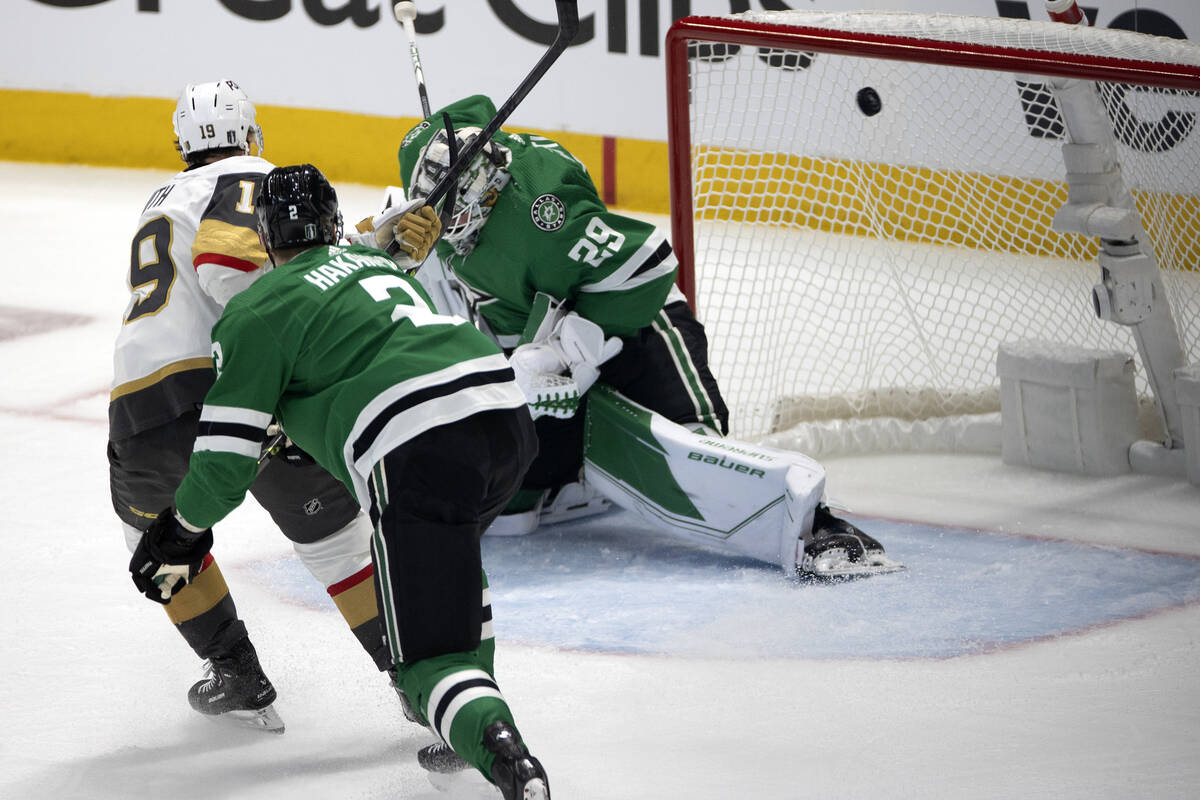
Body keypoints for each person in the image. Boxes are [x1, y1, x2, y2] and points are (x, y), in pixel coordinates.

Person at [126, 163, 550, 800]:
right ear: (333, 223)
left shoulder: (255, 312)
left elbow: (222, 465)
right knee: (450, 552)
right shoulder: (378, 267)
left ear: (265, 236)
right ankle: (461, 717)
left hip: (417, 445)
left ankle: (502, 752)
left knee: (426, 664)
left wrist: (180, 531)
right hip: (506, 417)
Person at [383, 95, 899, 580]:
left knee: (695, 458)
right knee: (503, 500)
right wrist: (388, 250)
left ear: (485, 183)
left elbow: (649, 266)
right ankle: (566, 478)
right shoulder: (436, 203)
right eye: (429, 206)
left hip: (633, 323)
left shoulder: (539, 213)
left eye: (451, 206)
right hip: (539, 342)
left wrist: (565, 350)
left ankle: (814, 530)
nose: (441, 223)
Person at [108, 80, 390, 734]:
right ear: (252, 135)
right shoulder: (257, 176)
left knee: (156, 540)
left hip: (143, 407)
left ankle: (234, 668)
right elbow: (234, 265)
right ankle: (414, 674)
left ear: (182, 145)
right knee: (339, 543)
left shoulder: (162, 198)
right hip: (241, 386)